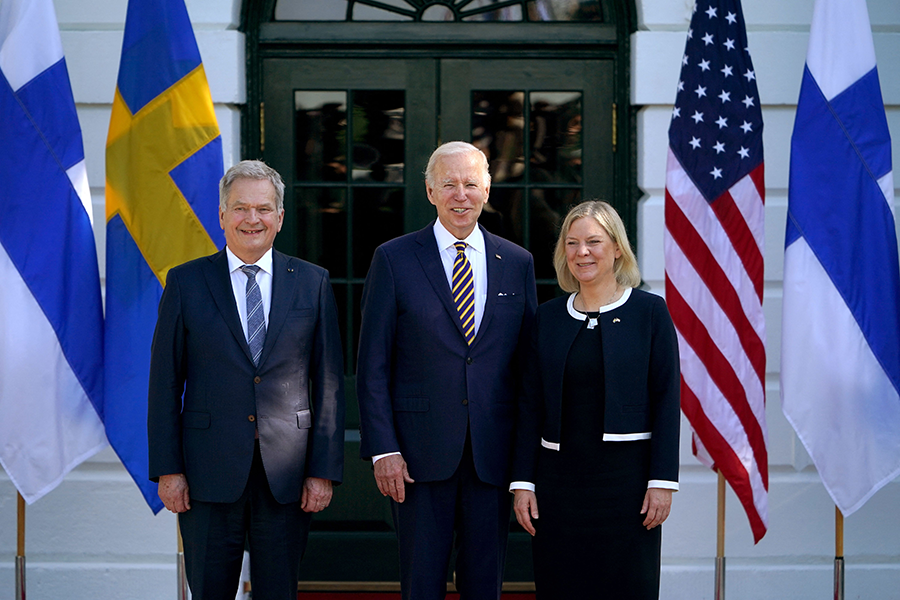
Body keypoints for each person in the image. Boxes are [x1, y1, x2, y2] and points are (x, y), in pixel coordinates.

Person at [147, 160, 345, 600]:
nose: (251, 219)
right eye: (240, 209)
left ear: (279, 217)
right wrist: (168, 468)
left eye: (263, 209)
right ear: (221, 216)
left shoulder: (312, 282)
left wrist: (323, 470)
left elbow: (328, 382)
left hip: (288, 476)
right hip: (206, 475)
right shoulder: (186, 282)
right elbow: (163, 382)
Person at [357, 141, 538, 600]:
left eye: (471, 183)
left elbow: (527, 372)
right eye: (449, 184)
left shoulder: (517, 263)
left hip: (490, 458)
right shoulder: (394, 259)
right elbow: (372, 364)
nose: (461, 194)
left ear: (488, 189)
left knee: (484, 587)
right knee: (421, 585)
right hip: (417, 459)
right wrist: (383, 450)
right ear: (430, 191)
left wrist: (524, 466)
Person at [511, 200, 680, 599]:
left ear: (617, 248)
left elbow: (666, 398)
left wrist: (662, 482)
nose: (581, 253)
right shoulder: (548, 317)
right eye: (572, 243)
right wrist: (523, 483)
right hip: (558, 489)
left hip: (627, 488)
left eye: (593, 242)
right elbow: (529, 403)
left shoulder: (650, 312)